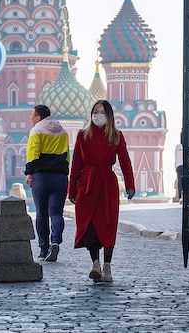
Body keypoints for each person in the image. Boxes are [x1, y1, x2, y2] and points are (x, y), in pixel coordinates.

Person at [68, 100, 135, 283]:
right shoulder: (83, 135)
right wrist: (72, 190)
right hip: (87, 186)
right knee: (88, 226)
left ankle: (107, 265)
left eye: (102, 112)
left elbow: (125, 161)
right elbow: (76, 165)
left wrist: (130, 184)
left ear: (109, 116)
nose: (98, 115)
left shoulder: (116, 136)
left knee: (107, 225)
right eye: (95, 111)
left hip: (106, 186)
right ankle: (95, 263)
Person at [25, 104, 70, 262]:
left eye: (32, 115)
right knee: (57, 213)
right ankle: (56, 242)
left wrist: (29, 173)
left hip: (41, 177)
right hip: (60, 177)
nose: (31, 118)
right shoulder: (63, 131)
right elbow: (66, 156)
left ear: (38, 117)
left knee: (41, 214)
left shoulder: (37, 130)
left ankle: (44, 250)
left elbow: (33, 153)